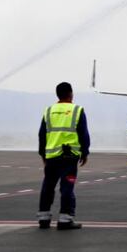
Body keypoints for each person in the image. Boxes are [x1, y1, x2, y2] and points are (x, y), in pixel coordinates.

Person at [37, 81, 89, 230]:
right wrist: (85, 152)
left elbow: (42, 135)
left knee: (48, 186)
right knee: (67, 187)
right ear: (71, 94)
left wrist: (43, 154)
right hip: (69, 157)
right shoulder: (77, 110)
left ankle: (43, 218)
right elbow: (83, 134)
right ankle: (65, 220)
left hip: (52, 156)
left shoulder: (48, 111)